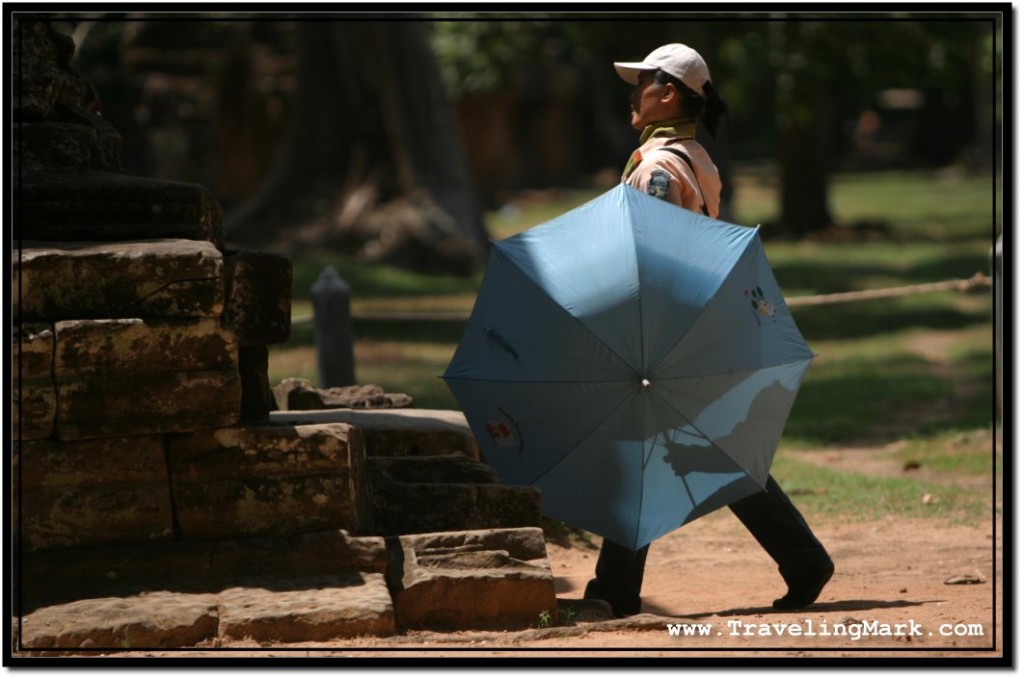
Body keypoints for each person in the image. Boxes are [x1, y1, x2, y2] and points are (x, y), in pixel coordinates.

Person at [582, 43, 835, 617]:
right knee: (708, 449)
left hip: (664, 331)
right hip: (694, 328)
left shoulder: (658, 169)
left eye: (642, 83)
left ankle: (615, 590)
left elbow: (656, 258)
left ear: (668, 93)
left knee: (647, 448)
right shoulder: (694, 157)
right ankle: (802, 559)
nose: (633, 93)